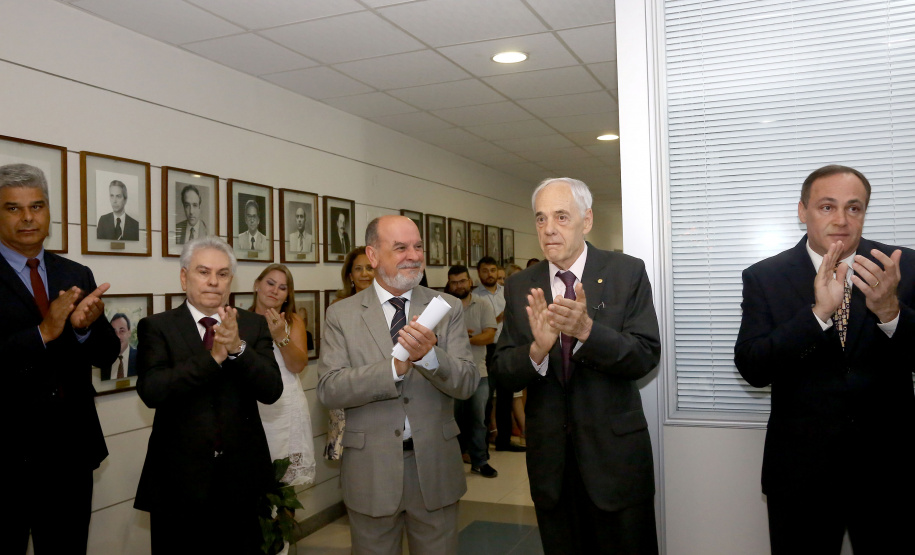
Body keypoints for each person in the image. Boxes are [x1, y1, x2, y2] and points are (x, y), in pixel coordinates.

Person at [734, 165, 915, 554]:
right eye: (827, 207)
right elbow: (753, 366)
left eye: (854, 208)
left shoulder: (903, 269)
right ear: (803, 211)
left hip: (889, 471)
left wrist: (890, 311)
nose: (841, 220)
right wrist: (815, 316)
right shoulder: (765, 277)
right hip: (801, 474)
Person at [492, 177, 661, 555]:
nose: (548, 229)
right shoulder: (521, 285)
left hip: (614, 461)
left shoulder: (625, 272)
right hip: (552, 466)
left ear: (586, 221)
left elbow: (646, 355)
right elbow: (501, 370)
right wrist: (536, 350)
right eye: (540, 219)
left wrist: (587, 330)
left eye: (561, 217)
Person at [317, 215, 477, 555]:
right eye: (401, 247)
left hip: (434, 469)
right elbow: (329, 389)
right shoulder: (341, 316)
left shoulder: (445, 308)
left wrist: (429, 358)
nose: (414, 255)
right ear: (373, 256)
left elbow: (466, 383)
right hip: (370, 472)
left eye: (418, 246)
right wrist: (393, 368)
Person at [134, 237, 282, 554]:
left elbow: (272, 390)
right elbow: (152, 390)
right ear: (185, 277)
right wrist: (212, 358)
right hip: (177, 482)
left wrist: (238, 349)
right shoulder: (158, 327)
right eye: (204, 272)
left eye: (223, 273)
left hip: (240, 481)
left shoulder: (253, 325)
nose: (214, 282)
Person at [0, 163, 119, 553]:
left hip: (69, 452)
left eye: (37, 206)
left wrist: (85, 328)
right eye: (13, 208)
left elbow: (107, 354)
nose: (28, 217)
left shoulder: (75, 273)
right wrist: (42, 333)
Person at [448, 265, 498, 477]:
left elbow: (489, 336)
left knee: (478, 420)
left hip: (479, 372)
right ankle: (452, 462)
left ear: (470, 282)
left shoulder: (483, 304)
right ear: (449, 285)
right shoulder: (444, 307)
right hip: (451, 374)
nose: (459, 285)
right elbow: (437, 340)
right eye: (454, 282)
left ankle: (480, 461)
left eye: (462, 281)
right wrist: (465, 338)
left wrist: (463, 339)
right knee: (453, 421)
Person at [325, 246, 375, 461]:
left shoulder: (389, 305)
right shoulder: (338, 308)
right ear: (350, 275)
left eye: (370, 268)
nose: (365, 274)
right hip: (348, 386)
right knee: (352, 453)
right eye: (358, 269)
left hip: (379, 383)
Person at [475, 256, 522, 452]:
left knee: (505, 397)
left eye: (492, 270)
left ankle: (504, 440)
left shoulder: (508, 292)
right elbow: (481, 328)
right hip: (487, 350)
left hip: (507, 348)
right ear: (479, 273)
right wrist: (498, 318)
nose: (490, 274)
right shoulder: (475, 297)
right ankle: (482, 445)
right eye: (485, 271)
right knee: (485, 399)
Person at [102, 312, 137, 380]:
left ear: (129, 333)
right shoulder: (103, 359)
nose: (118, 336)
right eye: (114, 332)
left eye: (122, 331)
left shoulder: (140, 357)